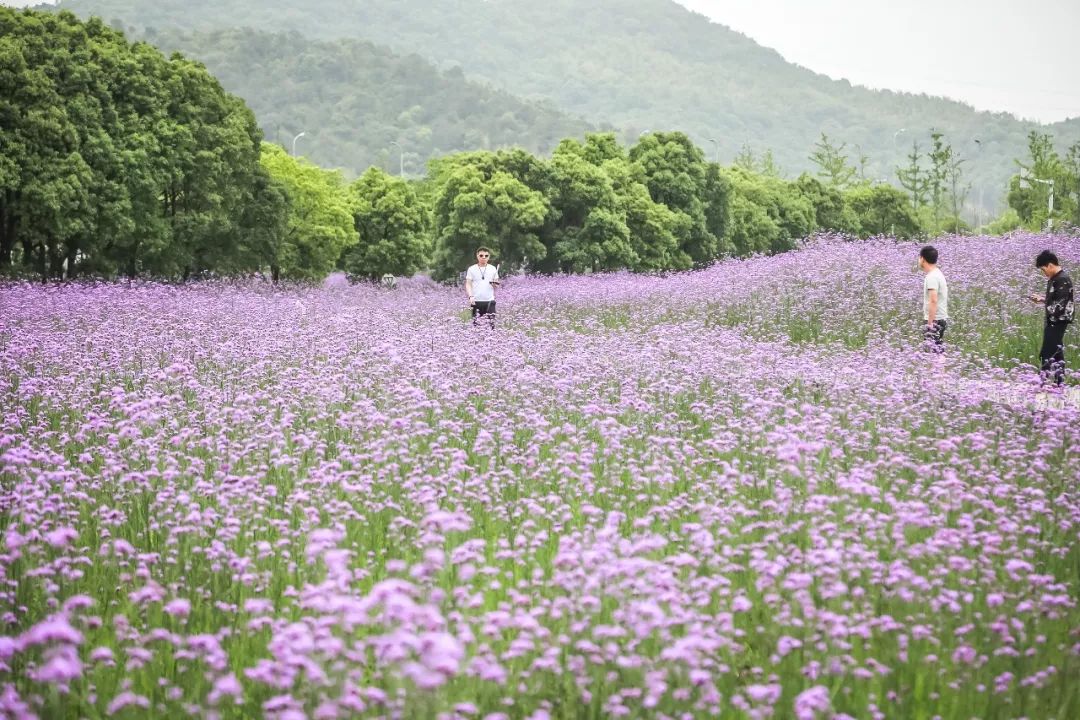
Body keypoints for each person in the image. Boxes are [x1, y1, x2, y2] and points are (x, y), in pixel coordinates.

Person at [1029, 250, 1074, 386]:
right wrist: (1043, 299)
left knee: (1046, 353)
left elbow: (1060, 306)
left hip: (1058, 321)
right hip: (1053, 320)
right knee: (1057, 352)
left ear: (1049, 265)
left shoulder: (1062, 280)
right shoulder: (1056, 278)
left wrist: (1046, 303)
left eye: (1043, 270)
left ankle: (1041, 383)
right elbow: (1055, 300)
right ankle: (1059, 384)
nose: (1044, 273)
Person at [918, 245, 949, 352]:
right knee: (938, 351)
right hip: (940, 318)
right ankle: (942, 368)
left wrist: (930, 323)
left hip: (935, 320)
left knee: (932, 353)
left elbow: (933, 300)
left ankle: (938, 369)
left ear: (922, 259)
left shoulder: (932, 277)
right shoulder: (938, 273)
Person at [465, 247, 499, 327]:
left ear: (489, 256)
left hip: (490, 301)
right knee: (476, 326)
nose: (484, 257)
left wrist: (495, 284)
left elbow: (496, 284)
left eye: (486, 256)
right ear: (477, 256)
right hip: (476, 301)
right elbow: (468, 284)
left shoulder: (493, 269)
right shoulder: (471, 269)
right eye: (481, 255)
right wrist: (470, 296)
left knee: (491, 326)